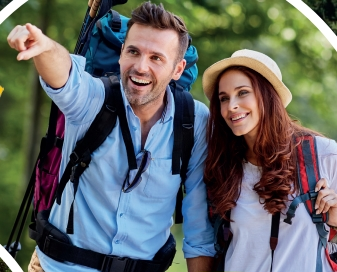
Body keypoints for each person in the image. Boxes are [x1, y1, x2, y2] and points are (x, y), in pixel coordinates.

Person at [7, 2, 215, 272]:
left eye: (156, 58)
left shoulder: (194, 121)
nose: (140, 67)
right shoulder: (93, 100)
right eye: (133, 52)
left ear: (178, 69)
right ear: (120, 55)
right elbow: (66, 75)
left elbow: (198, 227)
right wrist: (45, 46)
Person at [202, 49, 337, 272]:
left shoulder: (323, 156)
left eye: (242, 92)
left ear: (267, 95)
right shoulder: (222, 166)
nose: (231, 106)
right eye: (224, 98)